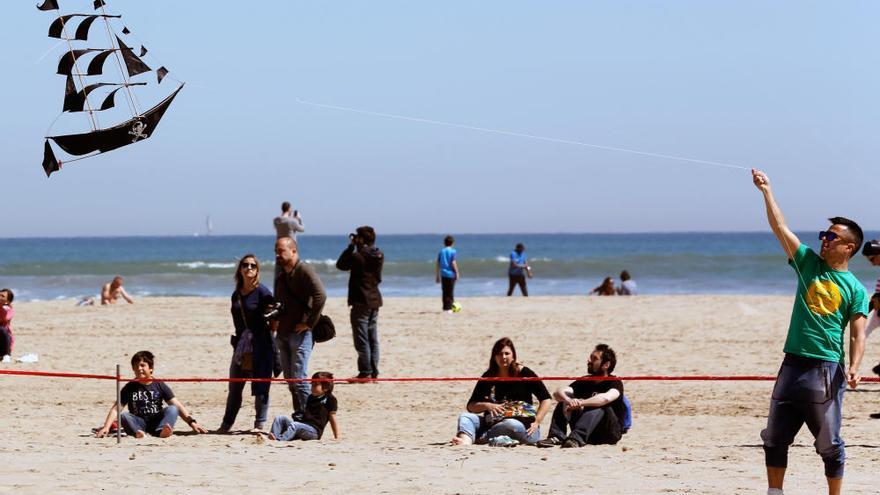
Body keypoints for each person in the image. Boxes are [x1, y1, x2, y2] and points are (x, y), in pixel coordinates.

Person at [752, 169, 868, 495]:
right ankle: (775, 492)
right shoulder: (807, 264)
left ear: (848, 247)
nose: (823, 240)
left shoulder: (855, 289)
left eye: (831, 237)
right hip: (792, 363)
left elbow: (858, 333)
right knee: (775, 437)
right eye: (823, 234)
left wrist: (856, 366)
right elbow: (780, 228)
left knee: (829, 444)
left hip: (826, 368)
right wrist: (766, 190)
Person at [451, 337, 551, 446]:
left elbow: (546, 399)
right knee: (465, 417)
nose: (503, 357)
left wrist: (537, 421)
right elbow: (471, 406)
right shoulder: (488, 376)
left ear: (513, 356)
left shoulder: (525, 373)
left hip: (523, 427)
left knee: (510, 424)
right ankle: (466, 442)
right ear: (494, 357)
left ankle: (482, 438)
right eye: (499, 354)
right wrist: (487, 406)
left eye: (507, 353)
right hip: (492, 423)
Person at [218, 255, 276, 433]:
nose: (249, 268)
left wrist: (267, 337)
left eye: (253, 265)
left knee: (261, 386)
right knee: (235, 385)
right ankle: (226, 425)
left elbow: (274, 319)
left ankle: (259, 425)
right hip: (241, 345)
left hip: (261, 343)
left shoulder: (263, 292)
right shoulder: (236, 294)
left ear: (257, 270)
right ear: (240, 269)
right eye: (245, 265)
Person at [95, 351, 207, 438]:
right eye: (136, 366)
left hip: (157, 421)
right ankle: (138, 433)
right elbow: (116, 409)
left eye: (142, 365)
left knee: (172, 409)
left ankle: (162, 431)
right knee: (124, 416)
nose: (139, 369)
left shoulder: (159, 385)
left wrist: (192, 423)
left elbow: (177, 405)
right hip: (138, 422)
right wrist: (106, 426)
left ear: (151, 368)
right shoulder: (130, 386)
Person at [274, 236, 326, 415]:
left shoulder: (304, 269)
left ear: (293, 251)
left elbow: (320, 295)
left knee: (300, 379)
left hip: (300, 333)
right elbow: (278, 303)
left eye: (281, 251)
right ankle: (299, 413)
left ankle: (308, 416)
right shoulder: (282, 275)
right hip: (283, 332)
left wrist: (308, 323)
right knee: (290, 379)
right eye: (276, 251)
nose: (277, 255)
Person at [536, 344, 625, 448]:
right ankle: (557, 436)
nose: (589, 361)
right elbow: (558, 393)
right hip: (590, 432)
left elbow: (605, 398)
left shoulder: (615, 382)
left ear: (606, 365)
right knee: (564, 400)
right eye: (590, 357)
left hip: (609, 433)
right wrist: (568, 400)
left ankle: (576, 438)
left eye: (594, 359)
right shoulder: (585, 381)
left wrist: (581, 403)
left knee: (599, 405)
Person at [336, 226, 384, 381]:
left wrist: (350, 247)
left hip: (361, 301)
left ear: (361, 239)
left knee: (362, 339)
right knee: (372, 338)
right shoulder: (379, 254)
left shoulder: (357, 256)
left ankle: (365, 372)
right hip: (374, 299)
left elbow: (341, 264)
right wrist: (357, 245)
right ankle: (374, 371)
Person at [267, 371, 339, 441]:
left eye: (315, 385)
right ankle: (273, 436)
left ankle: (279, 440)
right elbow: (306, 414)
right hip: (303, 426)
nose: (312, 387)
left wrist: (337, 436)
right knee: (280, 418)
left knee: (295, 425)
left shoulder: (331, 399)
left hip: (314, 431)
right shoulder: (310, 397)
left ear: (326, 388)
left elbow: (332, 418)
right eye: (312, 384)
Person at [273, 201, 305, 280]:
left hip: (279, 248)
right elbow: (302, 229)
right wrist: (299, 219)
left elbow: (284, 222)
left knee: (279, 273)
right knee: (292, 271)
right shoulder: (292, 221)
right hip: (290, 248)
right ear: (289, 209)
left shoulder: (276, 220)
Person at [436, 235, 459, 312]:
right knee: (450, 292)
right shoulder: (453, 251)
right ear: (452, 243)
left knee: (444, 291)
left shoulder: (441, 251)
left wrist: (437, 275)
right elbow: (453, 262)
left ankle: (445, 307)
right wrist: (457, 272)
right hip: (451, 274)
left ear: (444, 243)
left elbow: (438, 263)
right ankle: (450, 308)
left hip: (443, 274)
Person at [0, 288, 14, 359]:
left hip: (4, 342)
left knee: (1, 329)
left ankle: (6, 354)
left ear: (7, 301)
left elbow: (4, 318)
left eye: (2, 296)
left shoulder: (8, 310)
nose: (0, 297)